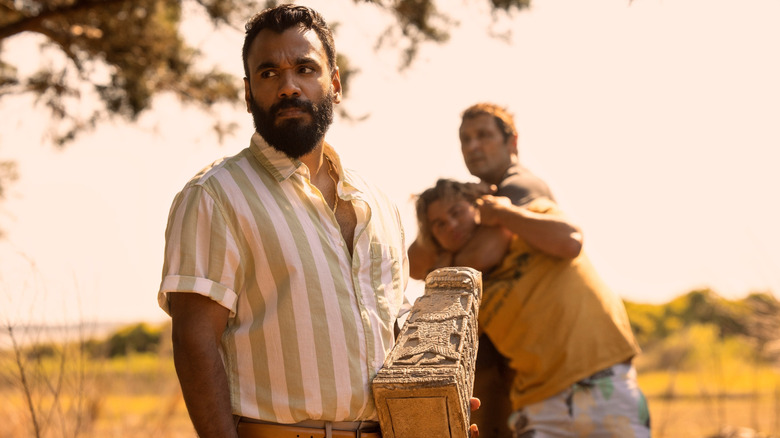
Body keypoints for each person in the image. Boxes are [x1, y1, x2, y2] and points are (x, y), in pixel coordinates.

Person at [155, 5, 443, 438]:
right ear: (248, 93)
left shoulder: (379, 204)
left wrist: (440, 405)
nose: (289, 86)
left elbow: (396, 334)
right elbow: (195, 344)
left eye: (305, 68)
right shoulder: (214, 197)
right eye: (269, 74)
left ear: (335, 84)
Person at [409, 103, 650, 437]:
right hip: (536, 400)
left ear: (513, 142)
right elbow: (413, 265)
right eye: (465, 139)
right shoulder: (472, 279)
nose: (474, 146)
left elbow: (557, 242)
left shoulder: (523, 194)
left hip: (595, 376)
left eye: (484, 135)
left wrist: (498, 219)